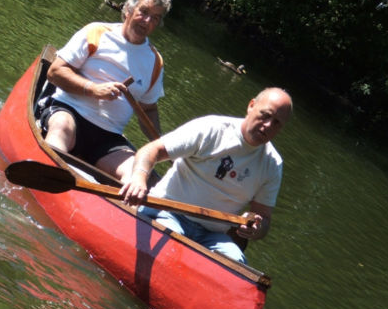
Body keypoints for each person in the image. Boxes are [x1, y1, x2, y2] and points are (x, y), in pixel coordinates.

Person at [120, 87, 293, 263]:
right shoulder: (212, 128)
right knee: (173, 246)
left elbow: (263, 218)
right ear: (251, 105)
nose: (268, 126)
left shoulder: (273, 164)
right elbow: (151, 150)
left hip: (213, 235)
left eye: (277, 123)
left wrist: (257, 227)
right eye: (265, 115)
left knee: (237, 262)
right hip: (167, 212)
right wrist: (139, 178)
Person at [37, 0, 172, 180]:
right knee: (62, 129)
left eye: (155, 18)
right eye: (143, 12)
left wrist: (163, 146)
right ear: (128, 10)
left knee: (137, 174)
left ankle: (124, 208)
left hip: (108, 136)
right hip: (68, 112)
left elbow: (148, 109)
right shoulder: (97, 32)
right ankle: (45, 176)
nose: (147, 21)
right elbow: (55, 72)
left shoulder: (155, 62)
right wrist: (93, 89)